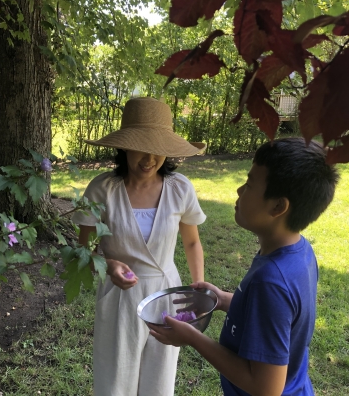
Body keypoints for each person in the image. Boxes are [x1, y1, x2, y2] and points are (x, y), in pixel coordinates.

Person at [149, 137, 340, 396]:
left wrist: (193, 337)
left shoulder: (271, 281)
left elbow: (266, 388)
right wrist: (222, 300)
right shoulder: (299, 252)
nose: (239, 190)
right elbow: (279, 317)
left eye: (249, 184)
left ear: (278, 206)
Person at [72, 97, 207, 396]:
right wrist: (108, 264)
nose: (148, 159)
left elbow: (192, 241)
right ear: (124, 146)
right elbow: (83, 250)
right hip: (120, 295)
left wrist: (197, 287)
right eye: (140, 148)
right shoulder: (102, 189)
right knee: (115, 379)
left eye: (157, 150)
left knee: (159, 380)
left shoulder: (179, 188)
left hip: (166, 293)